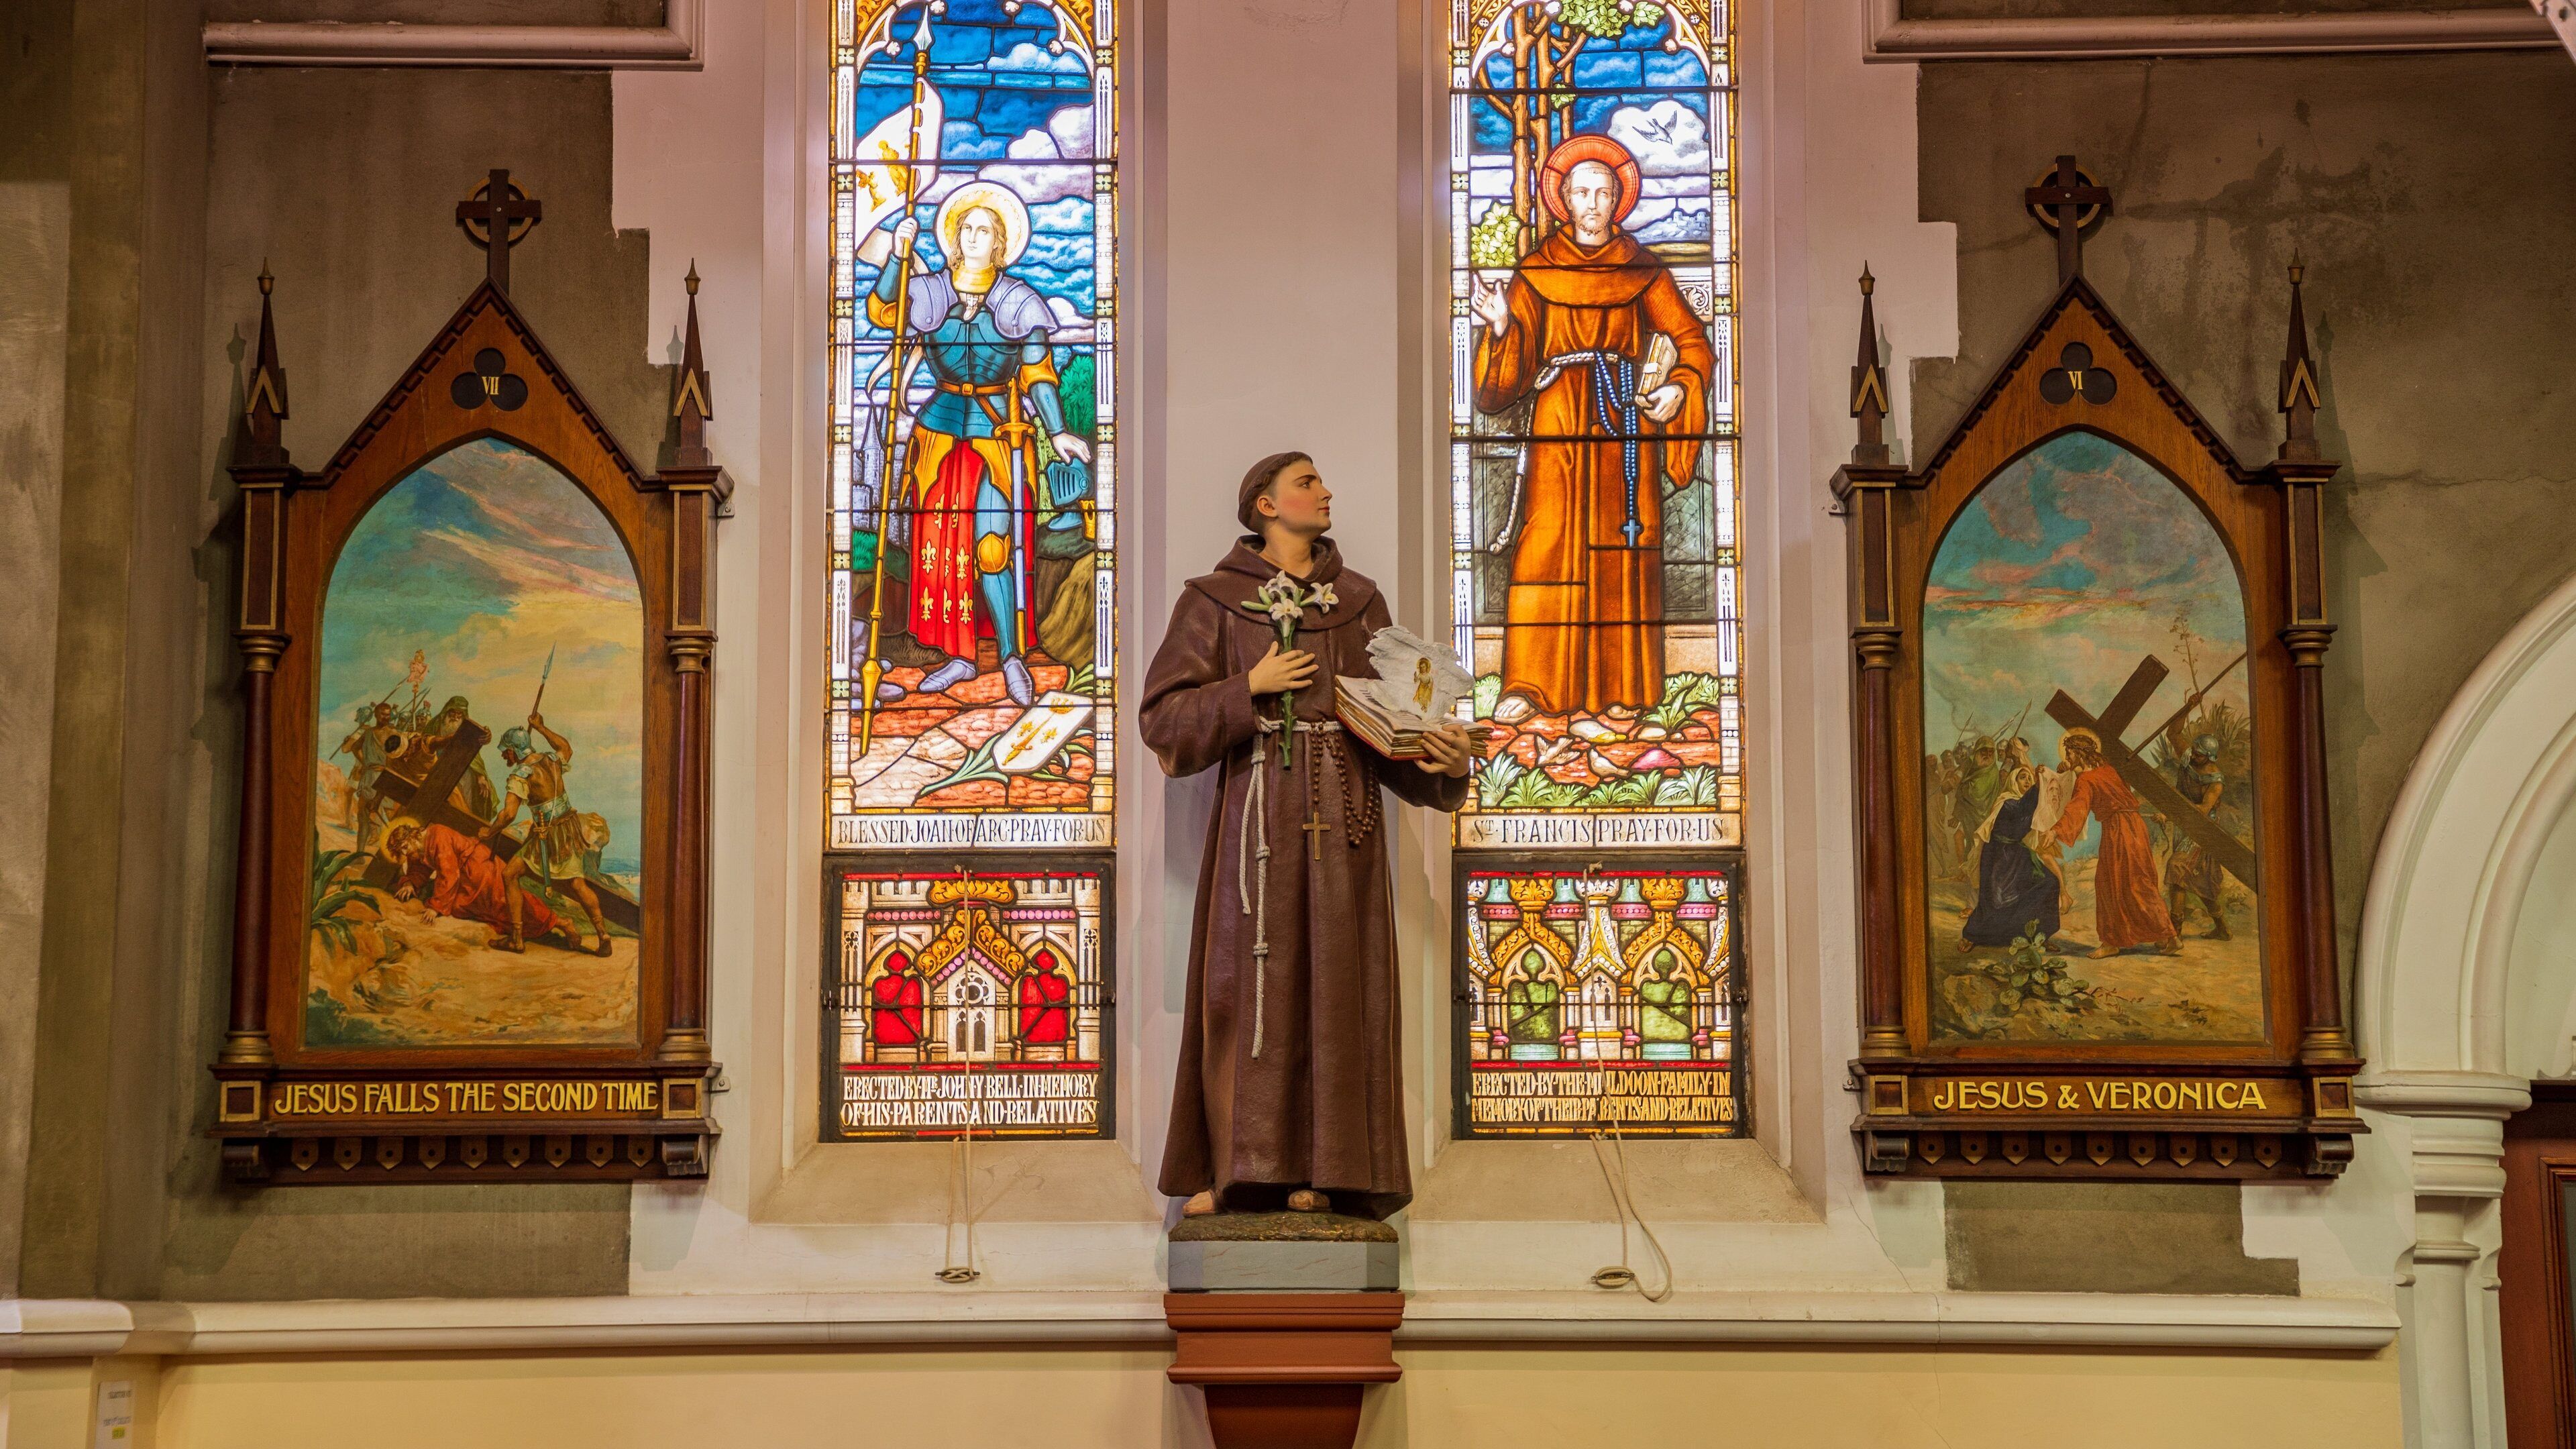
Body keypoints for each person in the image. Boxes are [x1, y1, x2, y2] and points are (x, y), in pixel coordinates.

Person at [1146, 451, 1474, 1220]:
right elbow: (1163, 722)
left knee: (1338, 993)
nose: (1325, 492)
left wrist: (1444, 758)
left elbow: (1393, 725)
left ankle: (1328, 1172)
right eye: (1306, 482)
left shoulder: (1358, 605)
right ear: (1264, 504)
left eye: (1322, 482)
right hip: (1254, 829)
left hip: (1345, 831)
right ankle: (1241, 1172)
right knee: (1247, 990)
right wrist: (1246, 689)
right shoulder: (1214, 603)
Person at [1470, 133, 1717, 720]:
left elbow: (1690, 343)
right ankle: (1530, 686)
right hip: (1558, 419)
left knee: (1619, 546)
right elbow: (1505, 378)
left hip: (1621, 427)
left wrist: (1679, 388)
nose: (1592, 202)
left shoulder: (1643, 270)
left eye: (1603, 192)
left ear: (1618, 200)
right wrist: (1503, 328)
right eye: (1581, 191)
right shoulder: (1536, 272)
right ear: (1564, 198)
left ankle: (1622, 690)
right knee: (1547, 540)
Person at [867, 181, 1093, 709]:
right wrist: (899, 257)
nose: (973, 237)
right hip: (940, 431)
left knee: (993, 548)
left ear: (1000, 244)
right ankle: (961, 657)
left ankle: (1011, 656)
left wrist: (1057, 429)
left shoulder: (1019, 302)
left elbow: (1038, 373)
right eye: (965, 228)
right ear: (953, 239)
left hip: (997, 437)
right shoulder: (929, 294)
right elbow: (882, 313)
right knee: (943, 552)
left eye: (984, 230)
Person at [482, 712, 612, 957]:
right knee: (577, 884)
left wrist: (490, 831)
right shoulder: (552, 759)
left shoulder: (521, 775)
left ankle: (517, 939)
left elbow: (508, 814)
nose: (503, 755)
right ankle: (603, 934)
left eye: (506, 751)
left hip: (547, 834)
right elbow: (566, 748)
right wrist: (542, 728)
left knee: (509, 874)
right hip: (568, 829)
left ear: (514, 751)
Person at [2049, 728, 2181, 958]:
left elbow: (2077, 808)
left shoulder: (2087, 779)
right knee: (2138, 881)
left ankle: (2115, 942)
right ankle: (2164, 935)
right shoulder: (2109, 771)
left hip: (2118, 831)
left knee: (2114, 884)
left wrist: (2056, 830)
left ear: (2080, 754)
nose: (2067, 758)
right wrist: (2067, 771)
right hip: (2135, 827)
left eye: (2069, 754)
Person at [381, 818, 570, 947]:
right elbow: (419, 870)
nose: (405, 853)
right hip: (466, 877)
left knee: (504, 901)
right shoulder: (416, 849)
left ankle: (560, 922)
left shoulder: (437, 835)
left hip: (480, 868)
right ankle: (520, 935)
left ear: (413, 836)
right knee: (465, 908)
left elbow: (449, 873)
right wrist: (410, 884)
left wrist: (435, 907)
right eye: (401, 851)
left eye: (405, 847)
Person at [1959, 764, 2063, 950]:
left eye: (2029, 779)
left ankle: (2041, 935)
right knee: (1995, 901)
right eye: (2022, 778)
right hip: (1999, 858)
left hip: (2019, 855)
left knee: (2049, 883)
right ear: (2013, 781)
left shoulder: (2030, 804)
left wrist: (2059, 774)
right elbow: (2019, 809)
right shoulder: (2006, 802)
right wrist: (2037, 787)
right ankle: (1971, 935)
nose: (2027, 782)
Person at [2163, 734, 2235, 941]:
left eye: (2200, 755)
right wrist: (2190, 706)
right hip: (2184, 825)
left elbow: (2203, 809)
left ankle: (2174, 935)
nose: (2194, 755)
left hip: (2201, 830)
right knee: (2201, 880)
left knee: (2176, 867)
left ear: (2210, 757)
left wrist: (2170, 814)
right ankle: (2222, 929)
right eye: (2194, 751)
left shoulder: (2215, 781)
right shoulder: (2188, 756)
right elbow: (2172, 732)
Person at [335, 700, 407, 852]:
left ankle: (396, 855)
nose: (386, 718)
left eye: (388, 715)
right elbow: (355, 748)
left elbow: (397, 756)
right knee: (363, 817)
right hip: (370, 777)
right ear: (376, 715)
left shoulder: (393, 734)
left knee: (392, 816)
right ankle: (359, 854)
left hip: (386, 776)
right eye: (383, 714)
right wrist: (367, 763)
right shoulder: (368, 733)